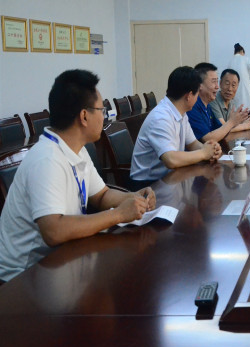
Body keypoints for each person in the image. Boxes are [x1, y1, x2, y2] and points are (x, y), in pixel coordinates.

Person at [0, 70, 156, 282]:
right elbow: (53, 231)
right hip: (23, 276)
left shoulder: (76, 149)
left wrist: (134, 198)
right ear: (84, 116)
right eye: (101, 110)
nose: (104, 116)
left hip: (60, 258)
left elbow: (101, 195)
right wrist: (119, 215)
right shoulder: (47, 159)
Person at [130, 66, 223, 184]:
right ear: (189, 96)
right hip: (148, 184)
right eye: (197, 94)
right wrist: (203, 153)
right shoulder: (161, 118)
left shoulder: (181, 112)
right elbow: (171, 159)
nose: (198, 98)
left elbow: (192, 144)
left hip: (170, 178)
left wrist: (211, 150)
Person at [187, 62, 250, 143]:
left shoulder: (207, 106)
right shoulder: (192, 106)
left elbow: (221, 129)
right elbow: (207, 138)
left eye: (217, 81)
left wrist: (238, 120)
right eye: (213, 82)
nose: (217, 87)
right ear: (200, 85)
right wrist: (232, 122)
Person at [228, 43, 250, 113]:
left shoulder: (230, 61)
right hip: (245, 90)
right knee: (248, 112)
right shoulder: (245, 59)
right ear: (242, 51)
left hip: (234, 91)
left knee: (237, 112)